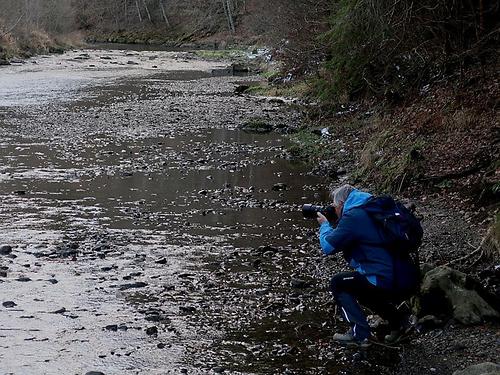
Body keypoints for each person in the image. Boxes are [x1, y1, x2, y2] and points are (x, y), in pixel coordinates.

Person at [317, 184, 414, 346]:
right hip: (404, 276)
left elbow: (328, 247)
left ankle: (359, 334)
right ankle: (399, 324)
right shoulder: (371, 208)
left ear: (341, 204)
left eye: (334, 206)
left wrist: (325, 226)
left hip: (386, 279)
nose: (334, 209)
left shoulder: (354, 217)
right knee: (361, 285)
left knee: (339, 283)